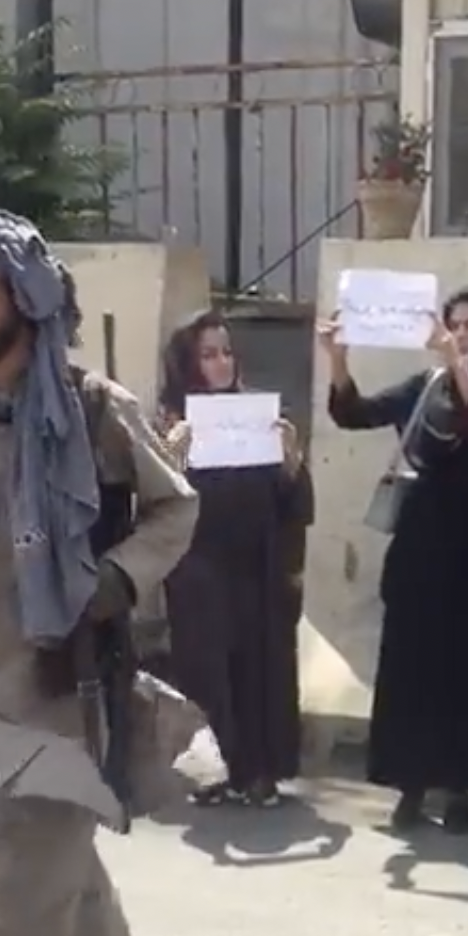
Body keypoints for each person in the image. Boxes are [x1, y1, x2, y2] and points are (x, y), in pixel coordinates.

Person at [0, 206, 200, 936]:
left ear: (28, 295)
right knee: (62, 829)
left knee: (30, 842)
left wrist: (116, 579)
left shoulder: (94, 410)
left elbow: (178, 507)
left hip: (60, 680)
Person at [320, 286, 468, 831]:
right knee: (414, 668)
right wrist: (338, 360)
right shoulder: (426, 384)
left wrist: (457, 363)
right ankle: (409, 784)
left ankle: (461, 787)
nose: (459, 334)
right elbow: (355, 413)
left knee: (467, 671)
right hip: (422, 547)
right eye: (453, 324)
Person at [155, 310, 312, 808]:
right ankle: (217, 770)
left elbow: (292, 499)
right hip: (199, 567)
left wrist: (292, 459)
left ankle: (263, 770)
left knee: (259, 666)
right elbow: (153, 499)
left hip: (257, 563)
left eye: (226, 352)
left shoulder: (259, 416)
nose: (221, 363)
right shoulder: (170, 420)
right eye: (208, 354)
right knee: (205, 669)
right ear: (188, 363)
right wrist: (169, 455)